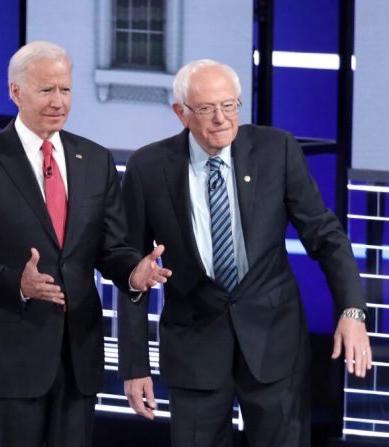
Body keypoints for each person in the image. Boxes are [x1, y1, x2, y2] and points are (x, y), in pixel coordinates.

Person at [119, 59, 372, 446]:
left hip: (275, 344)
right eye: (206, 109)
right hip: (194, 350)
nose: (221, 119)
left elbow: (325, 235)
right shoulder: (148, 167)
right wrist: (134, 366)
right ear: (180, 113)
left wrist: (352, 311)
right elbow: (132, 271)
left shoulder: (277, 149)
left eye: (230, 105)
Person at [0, 41, 171, 447]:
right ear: (15, 92)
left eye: (65, 90)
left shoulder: (95, 158)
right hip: (8, 360)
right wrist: (20, 283)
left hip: (77, 358)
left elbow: (112, 248)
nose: (58, 101)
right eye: (46, 90)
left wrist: (133, 272)